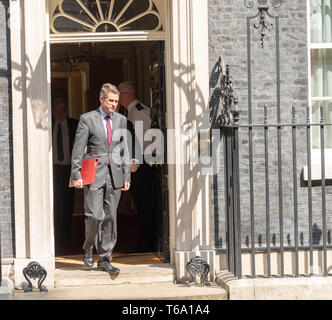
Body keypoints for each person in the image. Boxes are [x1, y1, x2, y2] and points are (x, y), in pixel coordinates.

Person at [70, 83, 131, 275]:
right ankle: (88, 246)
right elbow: (78, 149)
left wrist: (127, 175)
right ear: (101, 99)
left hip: (115, 175)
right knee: (95, 216)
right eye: (111, 101)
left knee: (111, 217)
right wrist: (76, 174)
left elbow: (124, 149)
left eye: (116, 101)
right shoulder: (87, 119)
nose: (114, 105)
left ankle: (105, 258)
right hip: (94, 174)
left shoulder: (121, 120)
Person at [118, 81, 154, 252]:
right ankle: (143, 240)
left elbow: (143, 141)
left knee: (143, 204)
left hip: (142, 165)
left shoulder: (139, 112)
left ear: (129, 94)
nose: (118, 98)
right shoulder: (129, 112)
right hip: (133, 163)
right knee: (137, 205)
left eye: (120, 93)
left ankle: (147, 243)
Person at [52, 97, 78, 242]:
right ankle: (56, 231)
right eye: (56, 109)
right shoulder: (48, 125)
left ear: (66, 110)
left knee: (68, 200)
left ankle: (66, 231)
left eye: (62, 109)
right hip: (54, 169)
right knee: (56, 199)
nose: (59, 113)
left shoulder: (75, 124)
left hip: (69, 168)